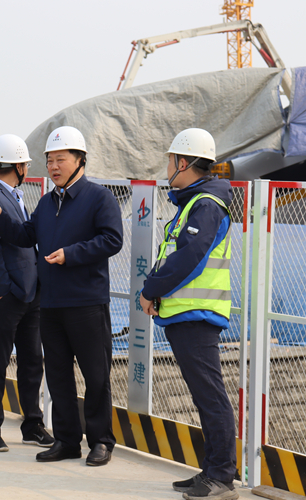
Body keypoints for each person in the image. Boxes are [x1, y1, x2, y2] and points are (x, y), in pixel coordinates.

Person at [0, 126, 123, 466]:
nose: (53, 167)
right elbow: (25, 236)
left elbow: (112, 239)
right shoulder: (46, 203)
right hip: (52, 304)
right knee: (58, 376)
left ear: (80, 160)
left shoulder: (99, 198)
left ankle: (101, 441)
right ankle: (68, 441)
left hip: (86, 302)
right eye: (49, 161)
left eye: (61, 159)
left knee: (96, 375)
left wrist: (71, 254)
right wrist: (0, 219)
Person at [140, 129, 237, 500]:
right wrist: (155, 289)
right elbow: (174, 254)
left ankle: (222, 478)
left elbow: (189, 258)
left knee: (211, 397)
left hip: (198, 315)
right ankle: (211, 471)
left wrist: (151, 290)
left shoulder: (206, 204)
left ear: (183, 163)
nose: (167, 167)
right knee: (203, 396)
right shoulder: (194, 202)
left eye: (169, 160)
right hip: (186, 314)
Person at [0, 134, 53, 452]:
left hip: (30, 292)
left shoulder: (13, 195)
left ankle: (32, 424)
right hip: (8, 295)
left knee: (32, 360)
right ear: (18, 166)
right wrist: (5, 291)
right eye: (26, 165)